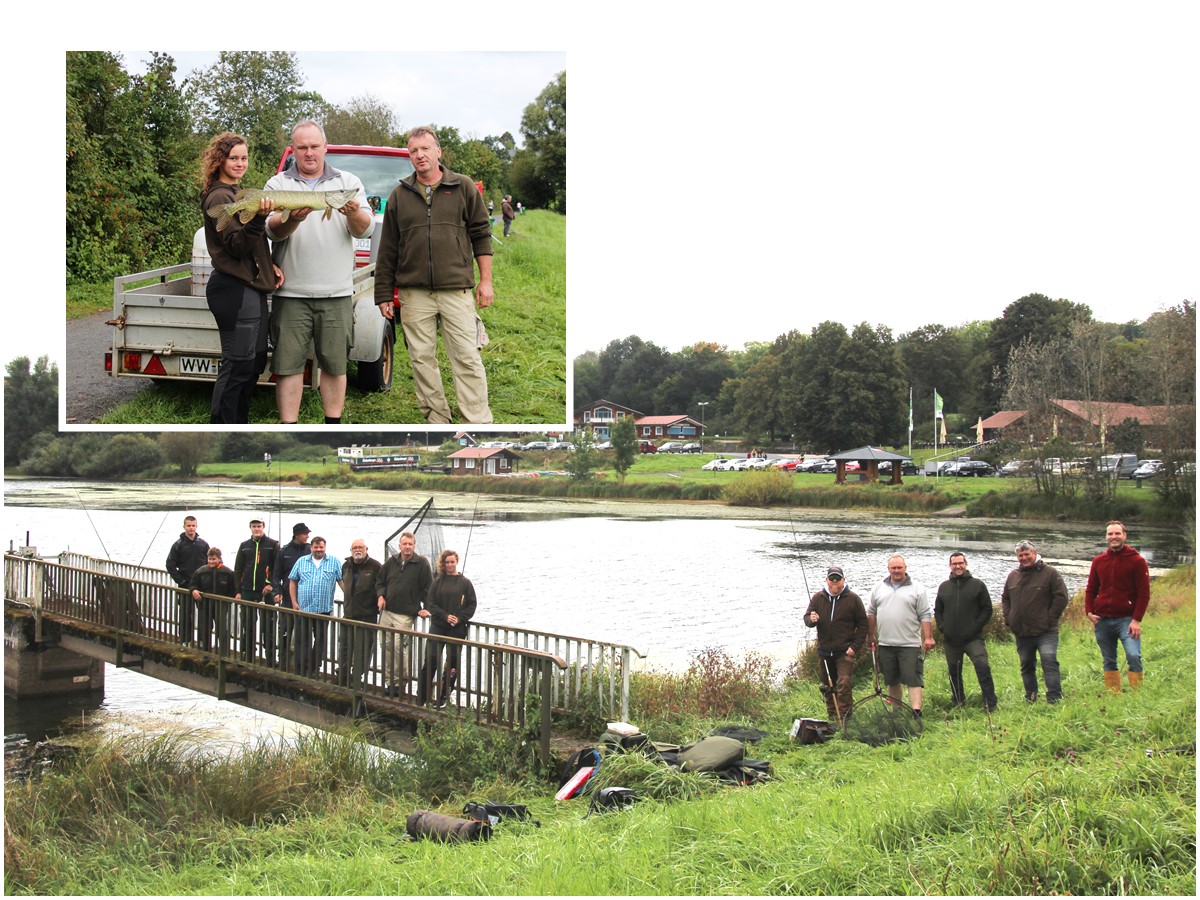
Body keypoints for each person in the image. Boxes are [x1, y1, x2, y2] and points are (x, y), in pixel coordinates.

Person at [373, 125, 495, 424]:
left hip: (456, 291)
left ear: (438, 152)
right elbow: (388, 247)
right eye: (413, 151)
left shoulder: (463, 187)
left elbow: (481, 234)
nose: (419, 155)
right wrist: (384, 293)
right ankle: (437, 419)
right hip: (414, 294)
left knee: (467, 357)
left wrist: (486, 280)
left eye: (425, 149)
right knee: (422, 361)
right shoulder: (400, 195)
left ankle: (476, 420)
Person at [264, 120, 373, 424]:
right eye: (302, 148)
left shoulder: (347, 181)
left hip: (336, 293)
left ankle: (332, 425)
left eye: (314, 146)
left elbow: (364, 228)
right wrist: (292, 220)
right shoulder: (277, 185)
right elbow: (273, 231)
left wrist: (353, 212)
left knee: (336, 366)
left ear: (325, 146)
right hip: (291, 293)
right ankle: (289, 427)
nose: (309, 153)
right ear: (293, 150)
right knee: (288, 367)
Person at [199, 131, 283, 424]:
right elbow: (235, 245)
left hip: (252, 287)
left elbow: (252, 244)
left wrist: (268, 264)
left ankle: (239, 421)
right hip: (233, 290)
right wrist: (260, 218)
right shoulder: (221, 195)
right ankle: (221, 425)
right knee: (237, 364)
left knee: (255, 361)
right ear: (220, 160)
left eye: (244, 157)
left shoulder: (238, 191)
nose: (239, 163)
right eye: (233, 158)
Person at [866, 554, 935, 720]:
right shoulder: (878, 587)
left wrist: (928, 637)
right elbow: (871, 613)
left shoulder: (917, 589)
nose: (896, 571)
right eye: (893, 568)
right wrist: (870, 635)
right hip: (886, 643)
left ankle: (916, 712)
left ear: (905, 568)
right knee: (892, 680)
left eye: (899, 567)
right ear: (888, 569)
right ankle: (896, 711)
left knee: (913, 679)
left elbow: (925, 614)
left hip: (910, 644)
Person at [1085, 521, 1150, 692]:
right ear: (1106, 537)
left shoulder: (1137, 561)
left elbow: (1144, 593)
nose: (1113, 537)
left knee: (1133, 655)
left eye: (1117, 534)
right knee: (1109, 659)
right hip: (1103, 620)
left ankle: (1137, 692)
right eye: (1110, 534)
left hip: (1127, 620)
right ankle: (1113, 694)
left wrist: (1136, 620)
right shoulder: (1099, 561)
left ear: (1124, 535)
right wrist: (1089, 612)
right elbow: (1091, 589)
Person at [1001, 539, 1070, 703]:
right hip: (1022, 632)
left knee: (1049, 662)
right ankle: (1030, 697)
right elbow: (1005, 598)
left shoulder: (1051, 573)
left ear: (1035, 553)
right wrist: (1009, 618)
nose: (1024, 558)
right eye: (1020, 555)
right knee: (1026, 665)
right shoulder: (1013, 576)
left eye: (1027, 554)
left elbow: (1061, 598)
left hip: (1046, 631)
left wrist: (1050, 618)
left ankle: (1054, 698)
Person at [804, 565, 867, 727]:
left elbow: (863, 625)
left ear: (843, 580)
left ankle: (845, 719)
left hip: (844, 651)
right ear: (826, 580)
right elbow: (807, 618)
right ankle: (833, 718)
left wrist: (855, 646)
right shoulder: (818, 598)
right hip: (824, 652)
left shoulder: (853, 599)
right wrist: (812, 619)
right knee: (827, 686)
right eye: (831, 578)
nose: (834, 582)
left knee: (844, 683)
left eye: (837, 578)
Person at [934, 552, 997, 712]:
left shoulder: (977, 585)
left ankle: (990, 702)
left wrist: (975, 627)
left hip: (973, 638)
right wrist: (942, 627)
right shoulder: (944, 587)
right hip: (951, 640)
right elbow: (938, 610)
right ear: (950, 566)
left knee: (983, 668)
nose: (958, 566)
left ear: (966, 564)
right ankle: (958, 702)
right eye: (954, 564)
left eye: (960, 563)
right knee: (954, 672)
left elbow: (987, 609)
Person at [374, 531, 433, 694]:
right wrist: (380, 596)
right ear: (399, 545)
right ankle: (389, 683)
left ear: (414, 546)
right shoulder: (391, 562)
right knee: (385, 646)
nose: (407, 547)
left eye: (410, 544)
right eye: (404, 544)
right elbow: (380, 581)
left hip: (406, 614)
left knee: (399, 648)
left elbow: (428, 587)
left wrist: (426, 607)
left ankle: (400, 683)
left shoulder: (422, 563)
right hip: (387, 612)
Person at [417, 549, 477, 707]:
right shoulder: (437, 582)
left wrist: (460, 619)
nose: (450, 565)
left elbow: (472, 605)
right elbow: (431, 604)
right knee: (431, 659)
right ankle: (422, 696)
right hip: (438, 626)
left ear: (457, 562)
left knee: (452, 663)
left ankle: (443, 697)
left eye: (452, 562)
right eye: (447, 562)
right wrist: (445, 616)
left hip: (457, 629)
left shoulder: (465, 583)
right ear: (443, 564)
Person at [288, 536, 343, 676]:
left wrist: (350, 597)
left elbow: (342, 582)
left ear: (325, 547)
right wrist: (294, 602)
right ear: (311, 548)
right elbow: (293, 581)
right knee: (302, 640)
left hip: (323, 610)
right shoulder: (301, 561)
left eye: (321, 547)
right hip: (304, 609)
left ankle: (314, 669)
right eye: (316, 547)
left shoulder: (334, 562)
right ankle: (301, 669)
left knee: (320, 642)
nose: (319, 550)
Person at [233, 519, 280, 663]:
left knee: (268, 625)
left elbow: (278, 568)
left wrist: (272, 584)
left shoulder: (273, 545)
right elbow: (238, 569)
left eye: (259, 526)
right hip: (247, 590)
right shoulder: (244, 546)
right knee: (248, 624)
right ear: (250, 528)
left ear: (263, 527)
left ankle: (271, 657)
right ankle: (248, 654)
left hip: (266, 592)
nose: (256, 529)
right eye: (254, 526)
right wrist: (238, 591)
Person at [338, 538, 382, 687]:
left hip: (367, 615)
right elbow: (343, 583)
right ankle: (343, 676)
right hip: (349, 614)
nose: (357, 550)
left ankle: (358, 678)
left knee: (364, 649)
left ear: (366, 549)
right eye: (354, 548)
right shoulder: (346, 565)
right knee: (344, 646)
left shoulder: (375, 566)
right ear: (350, 550)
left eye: (360, 547)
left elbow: (381, 586)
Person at [272, 523, 312, 668]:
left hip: (306, 597)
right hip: (288, 597)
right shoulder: (284, 551)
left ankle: (302, 663)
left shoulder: (310, 550)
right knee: (285, 630)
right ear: (297, 534)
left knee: (304, 632)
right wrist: (277, 592)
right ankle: (282, 660)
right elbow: (276, 574)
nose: (307, 536)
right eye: (305, 533)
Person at [166, 515, 209, 646]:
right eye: (188, 526)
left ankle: (203, 641)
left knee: (204, 615)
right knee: (185, 615)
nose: (191, 528)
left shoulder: (203, 544)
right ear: (184, 526)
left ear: (196, 526)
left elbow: (211, 562)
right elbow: (170, 565)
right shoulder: (178, 545)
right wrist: (181, 581)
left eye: (193, 525)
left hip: (201, 586)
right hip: (185, 585)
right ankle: (185, 640)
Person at [188, 547, 237, 653]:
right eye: (209, 559)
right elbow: (192, 585)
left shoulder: (228, 572)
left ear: (219, 558)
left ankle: (224, 653)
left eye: (213, 559)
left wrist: (227, 600)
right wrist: (193, 591)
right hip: (204, 605)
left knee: (222, 630)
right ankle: (206, 653)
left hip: (221, 605)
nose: (211, 561)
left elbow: (233, 589)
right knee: (205, 629)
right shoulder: (200, 571)